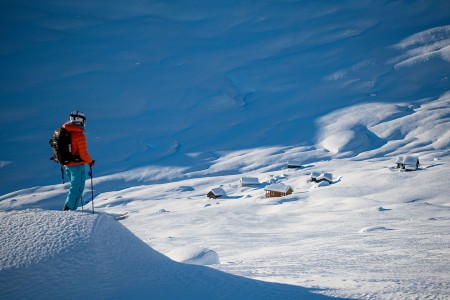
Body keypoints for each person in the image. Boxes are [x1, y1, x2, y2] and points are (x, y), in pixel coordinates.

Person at [62, 111, 95, 211]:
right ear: (80, 121)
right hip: (77, 166)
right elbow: (83, 154)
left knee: (74, 188)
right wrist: (90, 162)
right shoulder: (78, 135)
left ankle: (68, 211)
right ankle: (68, 212)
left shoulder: (65, 131)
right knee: (77, 189)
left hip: (68, 165)